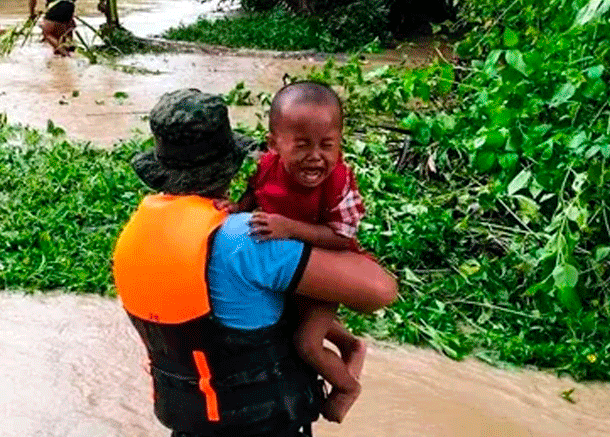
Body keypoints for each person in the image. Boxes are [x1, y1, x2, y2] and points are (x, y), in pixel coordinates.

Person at [112, 89, 397, 436]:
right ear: (230, 167)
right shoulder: (245, 239)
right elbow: (380, 291)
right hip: (265, 425)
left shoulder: (134, 234)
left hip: (188, 421)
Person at [217, 81, 368, 422]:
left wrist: (288, 227)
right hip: (288, 268)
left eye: (328, 145)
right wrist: (235, 209)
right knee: (293, 321)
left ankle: (346, 386)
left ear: (340, 144)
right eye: (302, 145)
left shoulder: (339, 181)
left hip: (328, 267)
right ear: (274, 145)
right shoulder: (265, 166)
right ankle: (352, 344)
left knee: (307, 345)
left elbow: (342, 237)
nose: (316, 156)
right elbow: (254, 198)